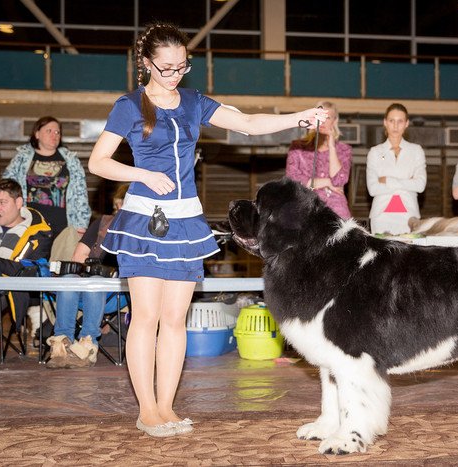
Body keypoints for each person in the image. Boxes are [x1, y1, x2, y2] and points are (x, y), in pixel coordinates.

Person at [87, 22, 327, 438]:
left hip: (185, 220)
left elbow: (248, 123)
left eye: (183, 67)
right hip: (145, 219)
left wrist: (299, 116)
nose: (176, 75)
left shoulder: (194, 101)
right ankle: (147, 410)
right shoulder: (129, 105)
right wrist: (141, 173)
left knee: (175, 320)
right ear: (145, 64)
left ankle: (166, 407)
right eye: (167, 68)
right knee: (146, 318)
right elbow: (98, 162)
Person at [46, 184, 129, 369]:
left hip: (115, 293)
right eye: (118, 207)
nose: (119, 212)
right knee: (68, 279)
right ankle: (62, 343)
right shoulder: (102, 222)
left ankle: (88, 345)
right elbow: (78, 257)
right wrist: (94, 266)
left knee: (96, 281)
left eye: (124, 206)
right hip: (86, 282)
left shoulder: (140, 231)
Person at [4, 116, 91, 239]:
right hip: (28, 226)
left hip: (63, 228)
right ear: (37, 134)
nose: (54, 135)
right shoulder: (21, 159)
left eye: (57, 132)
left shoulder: (71, 161)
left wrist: (81, 225)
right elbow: (7, 189)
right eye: (49, 131)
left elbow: (81, 195)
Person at [0, 179, 53, 328]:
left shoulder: (38, 233)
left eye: (2, 202)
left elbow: (20, 270)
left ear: (18, 203)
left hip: (5, 291)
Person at [366, 103, 427, 235]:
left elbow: (420, 185)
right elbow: (373, 188)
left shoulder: (416, 151)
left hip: (409, 217)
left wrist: (386, 179)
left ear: (406, 123)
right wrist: (407, 182)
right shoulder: (375, 152)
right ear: (385, 122)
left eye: (400, 121)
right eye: (391, 120)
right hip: (381, 216)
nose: (395, 125)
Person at [286, 101, 352, 219]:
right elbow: (292, 179)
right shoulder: (298, 147)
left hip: (336, 210)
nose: (323, 121)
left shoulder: (344, 150)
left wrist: (332, 147)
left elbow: (338, 181)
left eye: (327, 117)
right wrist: (327, 182)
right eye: (319, 117)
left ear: (335, 121)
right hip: (305, 208)